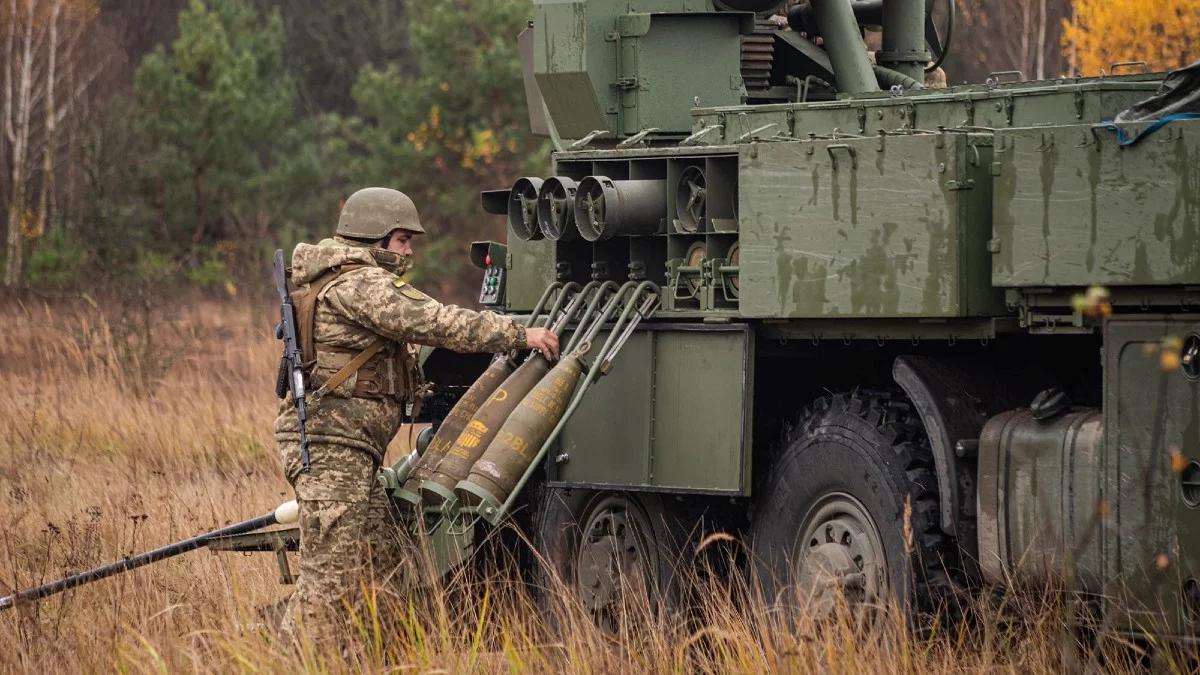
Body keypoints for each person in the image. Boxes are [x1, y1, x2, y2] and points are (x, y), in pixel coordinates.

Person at [274, 186, 559, 644]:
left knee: (385, 568)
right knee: (329, 581)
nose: (409, 251)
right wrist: (518, 334)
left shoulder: (337, 279)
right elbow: (435, 322)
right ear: (375, 239)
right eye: (403, 240)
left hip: (350, 451)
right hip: (334, 451)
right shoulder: (359, 283)